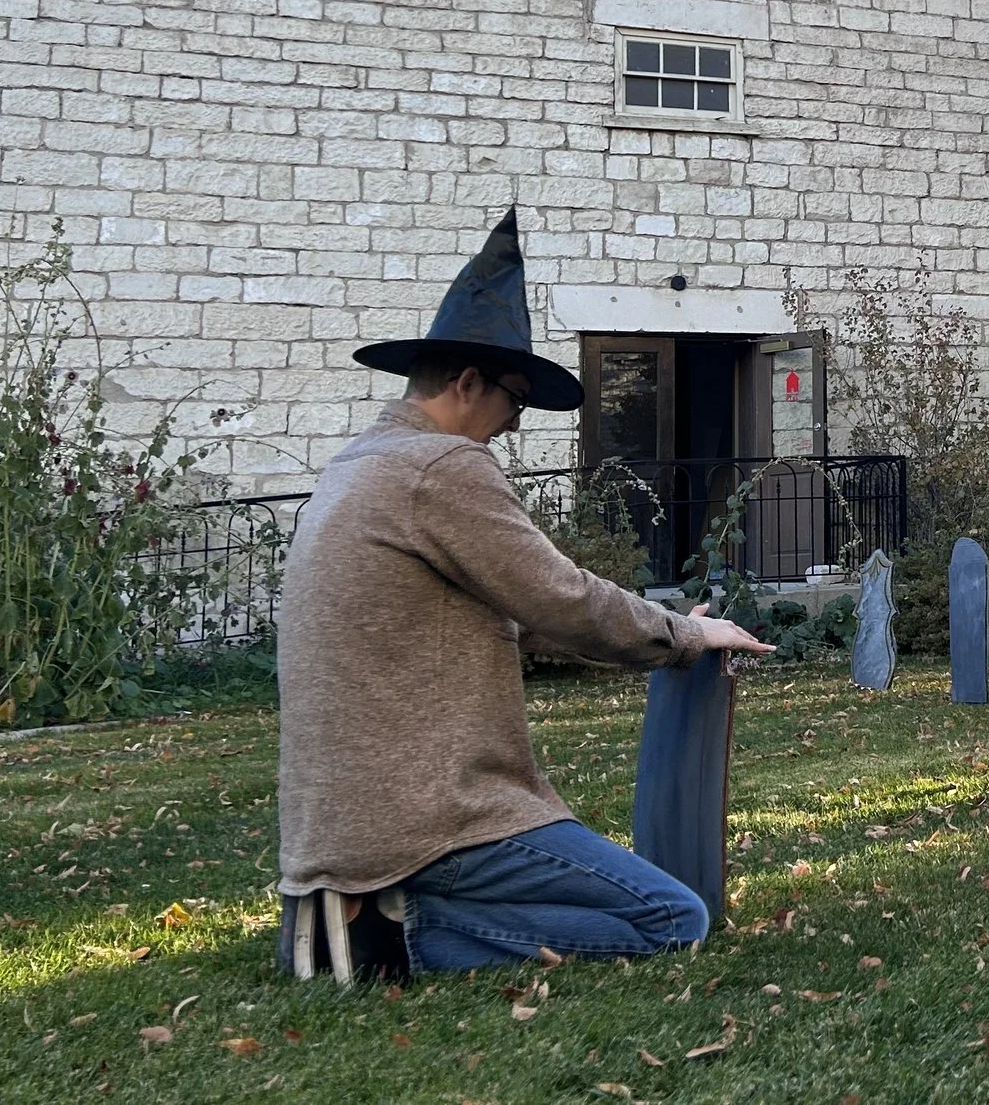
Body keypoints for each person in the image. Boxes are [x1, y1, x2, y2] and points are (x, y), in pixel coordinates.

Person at [274, 210, 772, 980]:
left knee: (619, 902)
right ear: (466, 381)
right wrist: (686, 636)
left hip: (339, 826)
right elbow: (561, 598)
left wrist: (666, 628)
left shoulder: (359, 465)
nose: (512, 424)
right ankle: (391, 935)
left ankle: (348, 912)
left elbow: (519, 615)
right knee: (674, 917)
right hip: (429, 821)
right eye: (513, 397)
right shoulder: (441, 466)